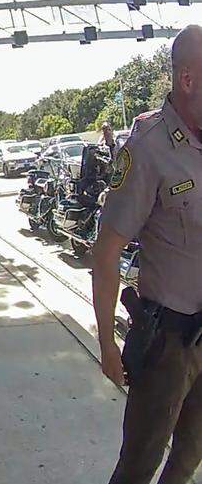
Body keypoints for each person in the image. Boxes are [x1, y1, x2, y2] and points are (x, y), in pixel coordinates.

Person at [92, 25, 202, 484]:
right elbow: (106, 250)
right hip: (166, 344)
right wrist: (105, 344)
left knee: (190, 455)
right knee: (140, 463)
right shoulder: (147, 148)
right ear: (188, 79)